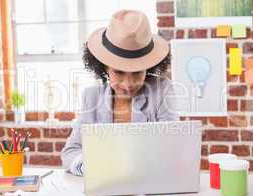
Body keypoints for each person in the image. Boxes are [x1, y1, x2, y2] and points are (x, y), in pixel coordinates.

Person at [61, 9, 178, 176]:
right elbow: (70, 152)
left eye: (138, 72)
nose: (128, 84)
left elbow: (174, 147)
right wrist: (90, 169)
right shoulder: (91, 97)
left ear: (149, 68)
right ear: (104, 68)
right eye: (119, 72)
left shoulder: (161, 90)